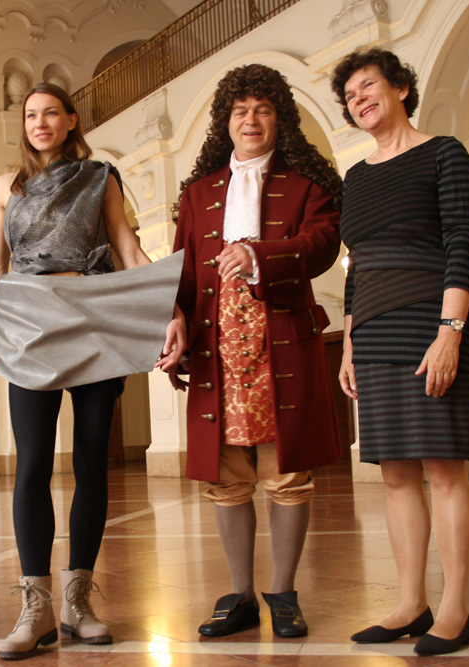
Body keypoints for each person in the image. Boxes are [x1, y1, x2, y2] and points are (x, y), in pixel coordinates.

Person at [0, 82, 186, 660]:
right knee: (34, 461)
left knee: (92, 460)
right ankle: (34, 608)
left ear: (71, 120)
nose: (40, 123)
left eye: (50, 114)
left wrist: (168, 306)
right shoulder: (2, 186)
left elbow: (126, 247)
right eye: (31, 115)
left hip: (93, 319)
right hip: (28, 324)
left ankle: (77, 602)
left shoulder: (99, 176)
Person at [168, 64, 343, 640]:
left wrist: (258, 255)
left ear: (279, 119)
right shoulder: (197, 193)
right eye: (240, 109)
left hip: (280, 337)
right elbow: (184, 272)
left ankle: (284, 592)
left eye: (263, 109)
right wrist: (172, 323)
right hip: (216, 344)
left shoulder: (308, 185)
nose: (251, 119)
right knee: (227, 477)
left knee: (288, 475)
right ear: (226, 121)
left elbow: (319, 247)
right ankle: (240, 594)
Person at [331, 48, 469, 656]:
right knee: (395, 477)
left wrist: (451, 330)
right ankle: (410, 602)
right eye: (349, 96)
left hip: (430, 323)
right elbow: (353, 267)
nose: (359, 99)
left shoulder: (444, 152)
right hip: (373, 333)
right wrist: (347, 345)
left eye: (368, 86)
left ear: (399, 88)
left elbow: (461, 243)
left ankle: (455, 609)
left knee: (444, 469)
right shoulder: (357, 176)